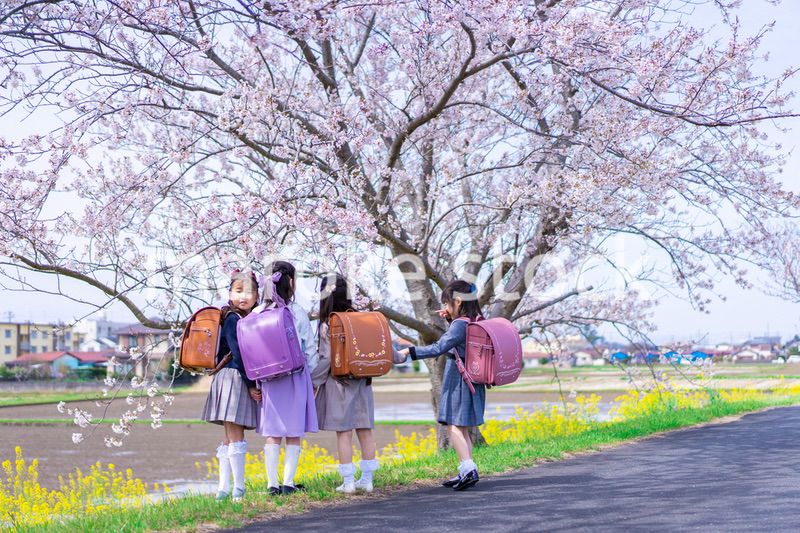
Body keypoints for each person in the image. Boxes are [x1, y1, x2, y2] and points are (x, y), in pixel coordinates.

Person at [397, 279, 485, 491]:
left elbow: (440, 347)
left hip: (459, 378)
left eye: (447, 304)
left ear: (457, 301)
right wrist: (450, 320)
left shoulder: (460, 324)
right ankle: (465, 469)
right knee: (461, 426)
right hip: (472, 377)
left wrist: (411, 352)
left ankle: (469, 468)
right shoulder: (475, 320)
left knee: (452, 425)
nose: (444, 308)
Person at [255, 261, 319, 495]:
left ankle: (271, 484)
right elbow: (309, 349)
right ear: (290, 282)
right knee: (293, 433)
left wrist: (257, 382)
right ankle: (288, 483)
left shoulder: (257, 313)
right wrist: (312, 379)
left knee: (273, 434)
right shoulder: (296, 311)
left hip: (269, 380)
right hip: (295, 377)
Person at [311, 273, 379, 494]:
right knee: (365, 431)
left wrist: (313, 381)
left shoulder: (328, 324)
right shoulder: (360, 319)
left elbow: (327, 359)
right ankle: (367, 480)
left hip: (339, 385)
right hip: (363, 383)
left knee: (344, 433)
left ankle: (348, 481)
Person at [201, 269, 262, 501]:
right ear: (229, 293)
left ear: (257, 297)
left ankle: (223, 489)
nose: (243, 297)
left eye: (249, 292)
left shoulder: (228, 316)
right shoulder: (234, 319)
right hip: (235, 379)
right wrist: (250, 384)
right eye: (238, 291)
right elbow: (239, 355)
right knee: (236, 437)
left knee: (229, 438)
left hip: (223, 379)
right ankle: (239, 489)